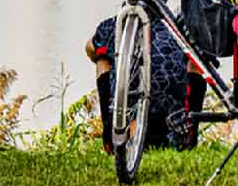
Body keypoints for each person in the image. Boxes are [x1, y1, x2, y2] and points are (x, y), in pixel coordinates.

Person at [85, 17, 200, 151]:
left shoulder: (112, 26)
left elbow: (90, 48)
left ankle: (112, 139)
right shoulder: (177, 28)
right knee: (196, 59)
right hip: (174, 129)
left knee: (102, 58)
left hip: (131, 131)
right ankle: (190, 137)